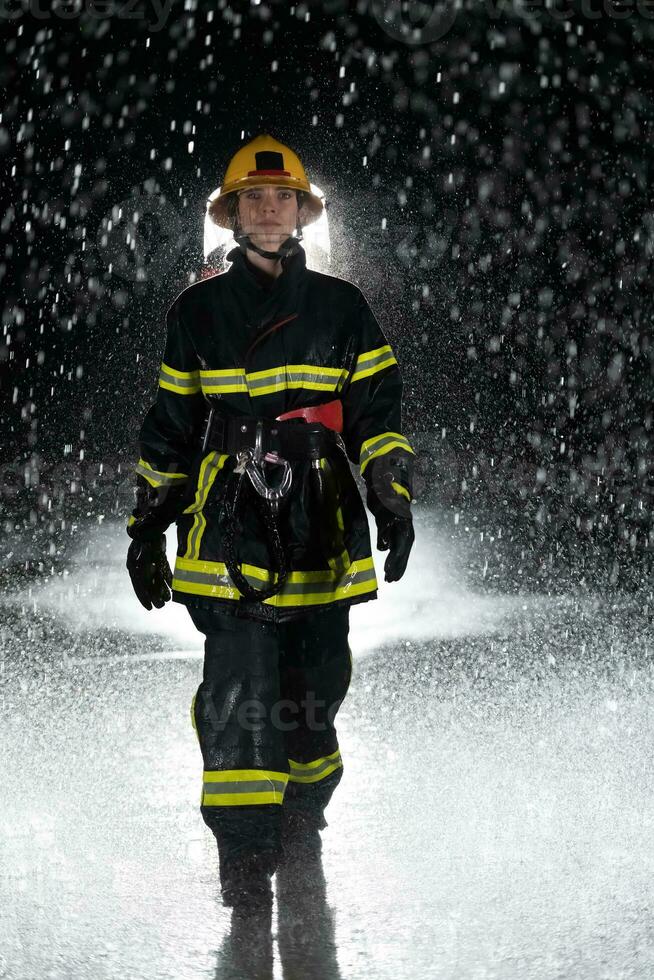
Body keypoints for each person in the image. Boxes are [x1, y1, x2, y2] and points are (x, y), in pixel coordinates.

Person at [125, 134, 416, 915]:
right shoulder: (198, 313)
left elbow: (376, 418)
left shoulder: (343, 308)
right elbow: (172, 427)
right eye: (252, 199)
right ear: (231, 215)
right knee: (239, 693)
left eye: (280, 198)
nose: (266, 209)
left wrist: (391, 497)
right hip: (229, 526)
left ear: (299, 213)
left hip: (321, 518)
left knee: (315, 691)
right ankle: (245, 857)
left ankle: (303, 815)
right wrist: (148, 525)